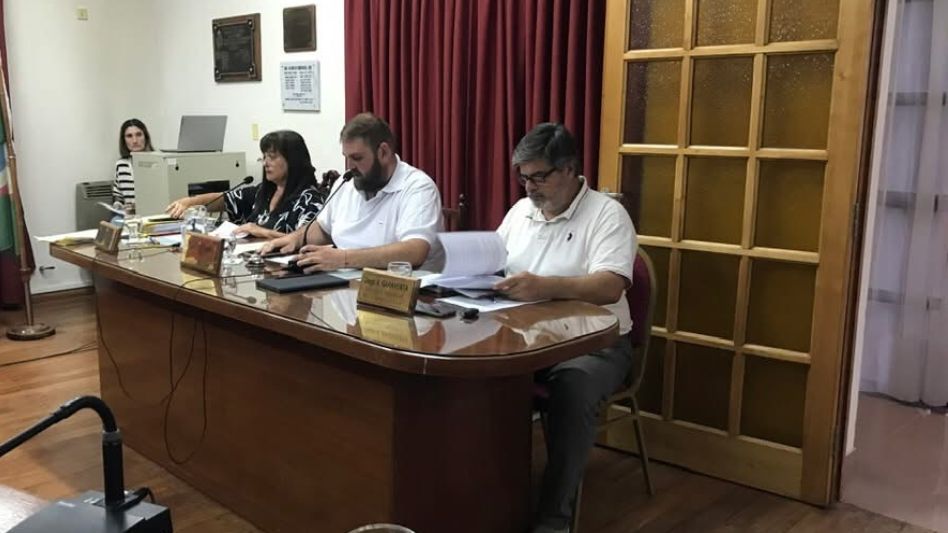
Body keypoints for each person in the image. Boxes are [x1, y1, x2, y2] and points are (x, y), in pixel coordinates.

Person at [494, 123, 638, 533]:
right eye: (524, 177)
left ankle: (554, 519)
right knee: (477, 380)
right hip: (526, 337)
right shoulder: (520, 212)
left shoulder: (607, 215)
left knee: (571, 389)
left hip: (595, 346)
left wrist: (545, 286)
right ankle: (486, 494)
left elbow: (610, 286)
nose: (529, 188)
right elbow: (494, 261)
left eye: (539, 177)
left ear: (570, 169)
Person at [262, 113, 443, 271]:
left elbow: (415, 250)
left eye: (357, 158)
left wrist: (343, 259)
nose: (350, 166)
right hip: (343, 281)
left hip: (402, 290)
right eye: (346, 158)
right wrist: (295, 239)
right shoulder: (347, 182)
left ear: (383, 152)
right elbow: (324, 229)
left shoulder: (418, 187)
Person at [166, 130, 325, 239]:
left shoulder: (309, 200)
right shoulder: (264, 191)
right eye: (264, 157)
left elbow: (303, 241)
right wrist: (188, 203)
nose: (265, 163)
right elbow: (226, 199)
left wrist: (259, 231)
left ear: (293, 161)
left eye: (272, 157)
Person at [112, 118, 154, 211]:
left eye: (139, 135)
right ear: (124, 140)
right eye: (129, 136)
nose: (134, 140)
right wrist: (118, 206)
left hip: (152, 213)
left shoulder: (156, 163)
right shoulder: (121, 164)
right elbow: (118, 196)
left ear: (146, 137)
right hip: (128, 215)